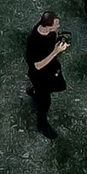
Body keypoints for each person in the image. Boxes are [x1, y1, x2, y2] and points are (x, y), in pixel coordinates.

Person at [24, 11, 69, 139]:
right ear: (47, 27)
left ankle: (35, 92)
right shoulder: (35, 41)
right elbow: (37, 66)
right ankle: (42, 123)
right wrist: (56, 51)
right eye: (56, 25)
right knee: (45, 102)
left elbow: (53, 38)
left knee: (61, 86)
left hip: (51, 68)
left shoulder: (49, 31)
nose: (58, 27)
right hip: (40, 75)